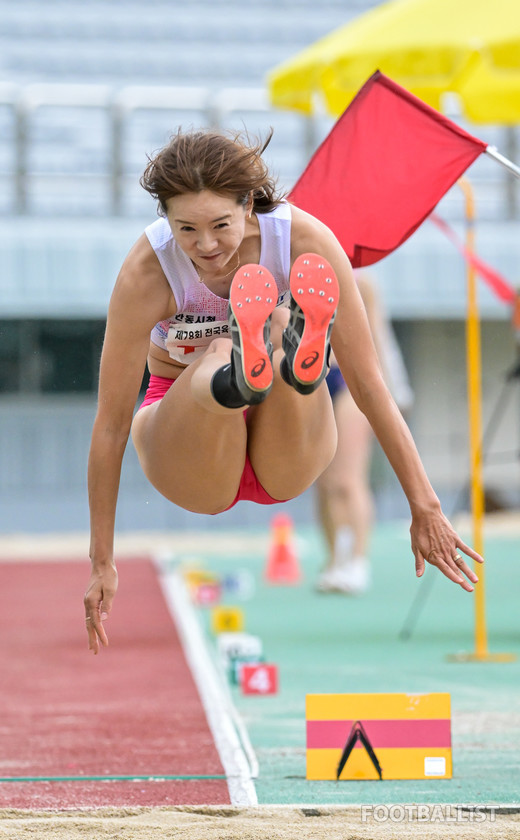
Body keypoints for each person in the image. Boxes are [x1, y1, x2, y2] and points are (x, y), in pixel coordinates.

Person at [84, 128, 482, 654]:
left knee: (272, 346)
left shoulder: (307, 242)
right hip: (191, 445)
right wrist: (100, 560)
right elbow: (110, 426)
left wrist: (425, 505)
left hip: (285, 448)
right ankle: (243, 372)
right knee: (219, 352)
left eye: (220, 225)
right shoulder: (146, 272)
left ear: (249, 204)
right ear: (164, 219)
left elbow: (367, 385)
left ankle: (289, 364)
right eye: (185, 229)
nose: (205, 247)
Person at [314, 272, 414, 595]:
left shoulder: (363, 284)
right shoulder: (294, 272)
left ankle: (357, 561)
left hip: (350, 379)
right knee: (322, 481)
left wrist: (385, 399)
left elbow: (376, 343)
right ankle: (334, 561)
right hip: (313, 378)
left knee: (348, 477)